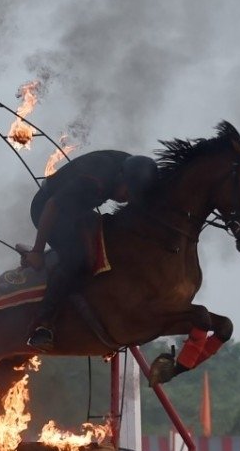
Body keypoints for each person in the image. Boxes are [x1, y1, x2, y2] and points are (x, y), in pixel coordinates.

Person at [17, 150, 158, 350]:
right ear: (121, 178)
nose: (126, 199)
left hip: (79, 208)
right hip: (48, 209)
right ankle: (43, 325)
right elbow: (52, 206)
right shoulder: (95, 181)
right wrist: (37, 251)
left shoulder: (135, 168)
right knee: (77, 258)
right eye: (127, 194)